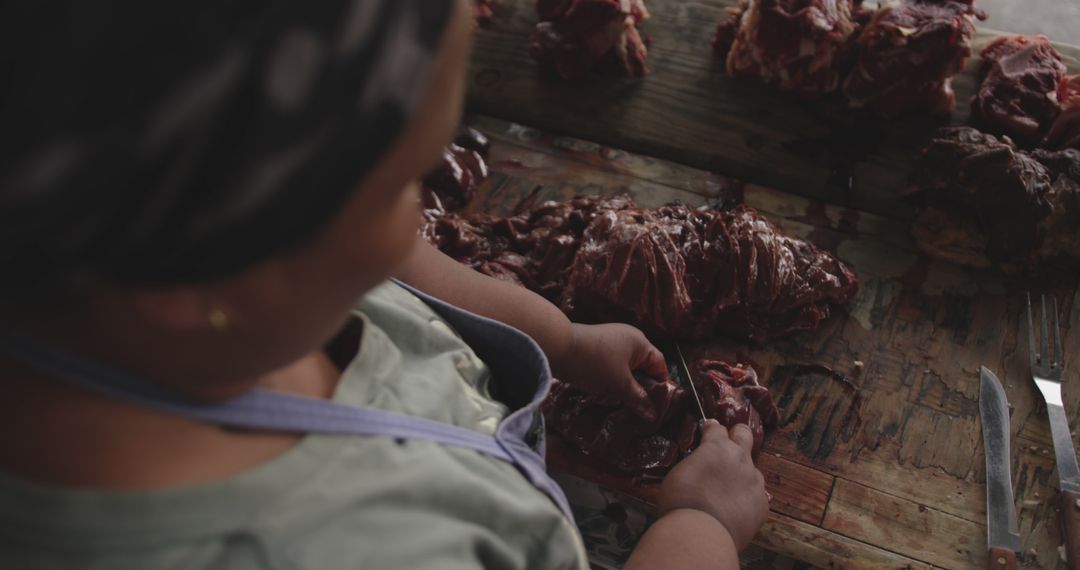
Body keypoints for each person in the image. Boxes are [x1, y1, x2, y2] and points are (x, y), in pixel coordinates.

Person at [0, 0, 769, 568]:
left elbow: (408, 269)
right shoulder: (369, 549)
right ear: (191, 281)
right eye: (403, 183)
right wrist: (700, 529)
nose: (418, 218)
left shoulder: (161, 267)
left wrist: (564, 341)